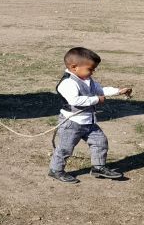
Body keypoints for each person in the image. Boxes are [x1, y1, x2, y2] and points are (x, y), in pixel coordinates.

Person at [48, 47, 133, 184]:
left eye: (94, 69)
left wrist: (118, 91)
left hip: (88, 122)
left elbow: (101, 89)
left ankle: (98, 167)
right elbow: (74, 100)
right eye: (90, 69)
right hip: (71, 122)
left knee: (100, 142)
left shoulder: (87, 79)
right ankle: (56, 170)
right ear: (74, 67)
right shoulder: (68, 83)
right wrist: (96, 99)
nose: (93, 72)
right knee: (65, 148)